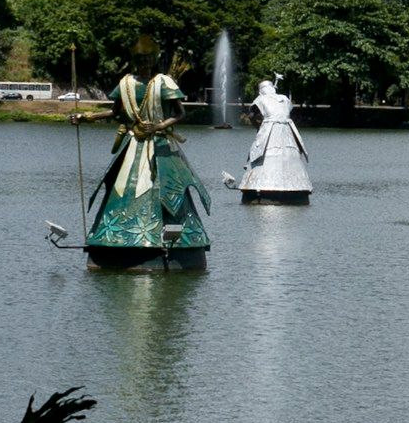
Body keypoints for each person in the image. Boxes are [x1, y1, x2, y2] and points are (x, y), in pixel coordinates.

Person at [77, 35, 210, 269]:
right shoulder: (126, 83)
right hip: (133, 144)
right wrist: (85, 117)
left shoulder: (164, 82)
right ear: (134, 59)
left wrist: (158, 126)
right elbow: (115, 112)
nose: (144, 63)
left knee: (167, 190)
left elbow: (180, 113)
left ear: (154, 59)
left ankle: (174, 241)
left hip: (161, 146)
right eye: (140, 59)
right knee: (123, 188)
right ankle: (115, 238)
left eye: (148, 58)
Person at [239, 76, 312, 203]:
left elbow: (251, 115)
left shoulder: (260, 99)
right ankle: (297, 185)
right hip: (287, 129)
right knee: (289, 154)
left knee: (264, 154)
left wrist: (258, 127)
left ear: (261, 90)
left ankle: (260, 185)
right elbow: (288, 110)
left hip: (269, 127)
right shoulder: (284, 98)